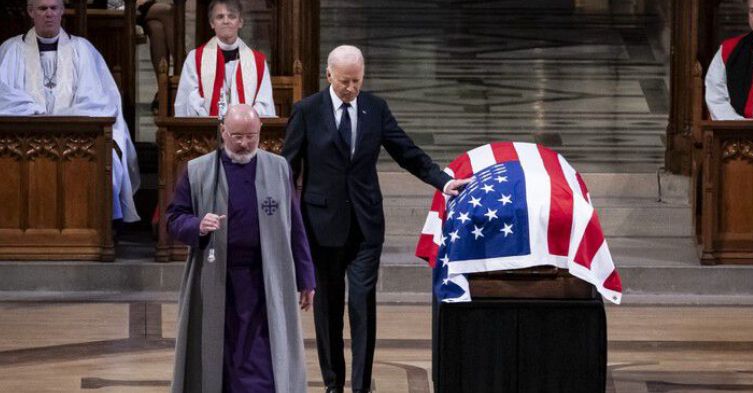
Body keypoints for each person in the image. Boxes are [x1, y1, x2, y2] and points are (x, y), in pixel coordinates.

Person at [282, 45, 469, 393]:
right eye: (344, 82)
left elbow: (406, 151)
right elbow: (287, 167)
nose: (351, 88)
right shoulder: (306, 111)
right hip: (322, 225)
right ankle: (334, 383)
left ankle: (361, 386)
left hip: (366, 224)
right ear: (328, 76)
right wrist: (282, 217)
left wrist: (442, 181)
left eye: (357, 81)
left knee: (362, 301)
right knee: (328, 308)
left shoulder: (375, 109)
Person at [168, 104, 314, 393]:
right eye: (237, 136)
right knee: (221, 354)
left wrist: (306, 277)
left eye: (252, 136)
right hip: (219, 281)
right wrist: (197, 225)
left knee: (265, 357)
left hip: (266, 281)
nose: (245, 143)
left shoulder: (278, 167)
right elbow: (174, 218)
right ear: (223, 132)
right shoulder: (198, 171)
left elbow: (294, 225)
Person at [0, 0, 140, 223]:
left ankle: (94, 227)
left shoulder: (83, 49)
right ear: (30, 12)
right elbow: (3, 96)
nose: (49, 14)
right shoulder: (10, 50)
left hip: (76, 134)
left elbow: (99, 100)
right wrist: (35, 112)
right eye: (42, 9)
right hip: (24, 133)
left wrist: (63, 118)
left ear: (62, 11)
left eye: (54, 8)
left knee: (108, 156)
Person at [174, 0, 275, 117]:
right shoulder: (195, 58)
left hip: (244, 131)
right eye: (220, 17)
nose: (226, 21)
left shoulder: (258, 62)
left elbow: (264, 104)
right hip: (207, 130)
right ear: (212, 23)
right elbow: (188, 100)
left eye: (232, 16)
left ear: (240, 22)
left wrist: (240, 120)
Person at [105, 0, 175, 113]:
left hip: (135, 4)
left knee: (157, 28)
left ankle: (163, 93)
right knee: (168, 10)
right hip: (118, 5)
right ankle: (188, 70)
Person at [705, 0, 753, 120]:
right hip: (737, 133)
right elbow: (716, 97)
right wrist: (740, 125)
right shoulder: (729, 50)